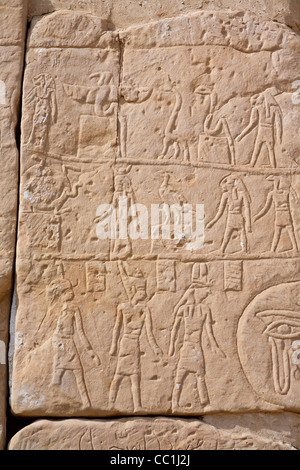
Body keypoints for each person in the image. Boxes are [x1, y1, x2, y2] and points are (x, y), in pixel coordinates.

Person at [169, 264, 224, 411]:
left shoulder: (186, 309)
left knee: (183, 376)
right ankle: (204, 403)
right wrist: (214, 346)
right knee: (198, 376)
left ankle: (176, 403)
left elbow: (175, 329)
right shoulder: (203, 310)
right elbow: (209, 333)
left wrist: (172, 346)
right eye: (204, 291)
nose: (206, 294)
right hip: (194, 347)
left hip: (188, 347)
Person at [109, 262, 162, 412]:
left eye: (144, 290)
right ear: (133, 291)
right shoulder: (124, 308)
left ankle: (137, 405)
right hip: (126, 343)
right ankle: (111, 403)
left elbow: (149, 333)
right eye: (140, 290)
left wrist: (156, 348)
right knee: (119, 375)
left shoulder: (144, 310)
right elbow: (116, 328)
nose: (143, 293)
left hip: (134, 346)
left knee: (135, 376)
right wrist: (114, 346)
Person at [207, 175, 252, 253]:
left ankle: (222, 250)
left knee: (227, 235)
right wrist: (248, 223)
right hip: (239, 217)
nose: (224, 187)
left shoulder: (227, 195)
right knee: (241, 232)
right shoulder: (241, 194)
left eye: (226, 184)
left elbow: (220, 212)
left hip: (232, 217)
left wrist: (213, 222)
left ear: (231, 185)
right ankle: (243, 250)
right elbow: (247, 209)